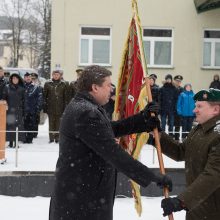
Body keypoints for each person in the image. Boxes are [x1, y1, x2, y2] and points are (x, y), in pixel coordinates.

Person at [49, 65, 172, 220]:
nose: (111, 90)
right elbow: (113, 152)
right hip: (81, 203)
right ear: (95, 87)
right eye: (108, 85)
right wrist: (153, 177)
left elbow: (107, 130)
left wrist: (143, 119)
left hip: (84, 198)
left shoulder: (86, 107)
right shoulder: (85, 112)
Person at [159, 88, 220, 220]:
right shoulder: (199, 129)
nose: (194, 110)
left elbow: (214, 174)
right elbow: (181, 152)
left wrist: (182, 201)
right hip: (197, 207)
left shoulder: (218, 135)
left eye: (199, 106)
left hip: (214, 211)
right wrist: (158, 138)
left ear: (216, 110)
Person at [43, 69, 69, 143]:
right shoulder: (48, 83)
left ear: (60, 76)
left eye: (57, 75)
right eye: (54, 74)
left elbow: (66, 98)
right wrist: (45, 107)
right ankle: (51, 138)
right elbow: (45, 96)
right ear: (52, 75)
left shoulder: (64, 84)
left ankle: (57, 138)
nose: (56, 76)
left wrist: (65, 107)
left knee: (58, 124)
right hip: (50, 107)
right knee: (51, 124)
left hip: (60, 108)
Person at [2, 73, 25, 147]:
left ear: (18, 80)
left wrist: (23, 109)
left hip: (18, 110)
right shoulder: (7, 88)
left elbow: (24, 100)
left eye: (16, 78)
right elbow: (3, 98)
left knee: (18, 127)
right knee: (10, 127)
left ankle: (16, 142)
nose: (14, 80)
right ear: (11, 80)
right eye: (13, 78)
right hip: (10, 111)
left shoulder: (22, 89)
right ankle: (11, 142)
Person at [23, 72, 43, 143]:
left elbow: (40, 98)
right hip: (24, 110)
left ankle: (29, 139)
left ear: (31, 78)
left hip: (32, 110)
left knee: (31, 125)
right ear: (24, 78)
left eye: (29, 77)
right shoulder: (21, 86)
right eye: (26, 77)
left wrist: (38, 108)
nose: (28, 78)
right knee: (24, 125)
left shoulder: (36, 87)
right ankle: (24, 138)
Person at [173, 75, 184, 141]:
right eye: (177, 81)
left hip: (179, 110)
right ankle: (170, 137)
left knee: (178, 124)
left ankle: (177, 138)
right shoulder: (172, 88)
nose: (178, 82)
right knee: (171, 125)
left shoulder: (182, 89)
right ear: (174, 81)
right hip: (172, 109)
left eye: (179, 81)